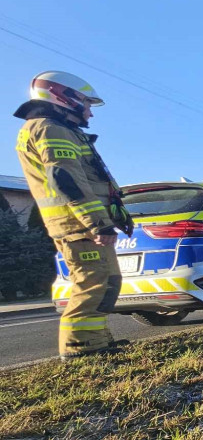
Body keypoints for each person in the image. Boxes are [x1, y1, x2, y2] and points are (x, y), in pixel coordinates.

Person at [14, 71, 134, 360]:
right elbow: (66, 178)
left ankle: (96, 340)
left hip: (79, 224)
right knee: (92, 282)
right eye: (87, 104)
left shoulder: (55, 128)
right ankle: (80, 349)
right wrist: (97, 222)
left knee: (106, 281)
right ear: (64, 98)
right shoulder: (49, 129)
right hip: (77, 225)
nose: (90, 112)